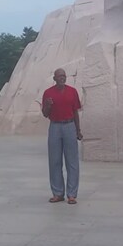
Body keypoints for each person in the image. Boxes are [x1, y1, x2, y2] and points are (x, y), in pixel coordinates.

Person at [41, 68, 83, 204]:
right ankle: (58, 193)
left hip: (69, 126)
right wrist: (47, 105)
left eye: (64, 76)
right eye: (59, 76)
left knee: (72, 161)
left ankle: (72, 194)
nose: (62, 78)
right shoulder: (48, 93)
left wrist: (78, 130)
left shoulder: (72, 91)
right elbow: (45, 114)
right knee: (54, 161)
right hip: (55, 126)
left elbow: (75, 112)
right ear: (54, 79)